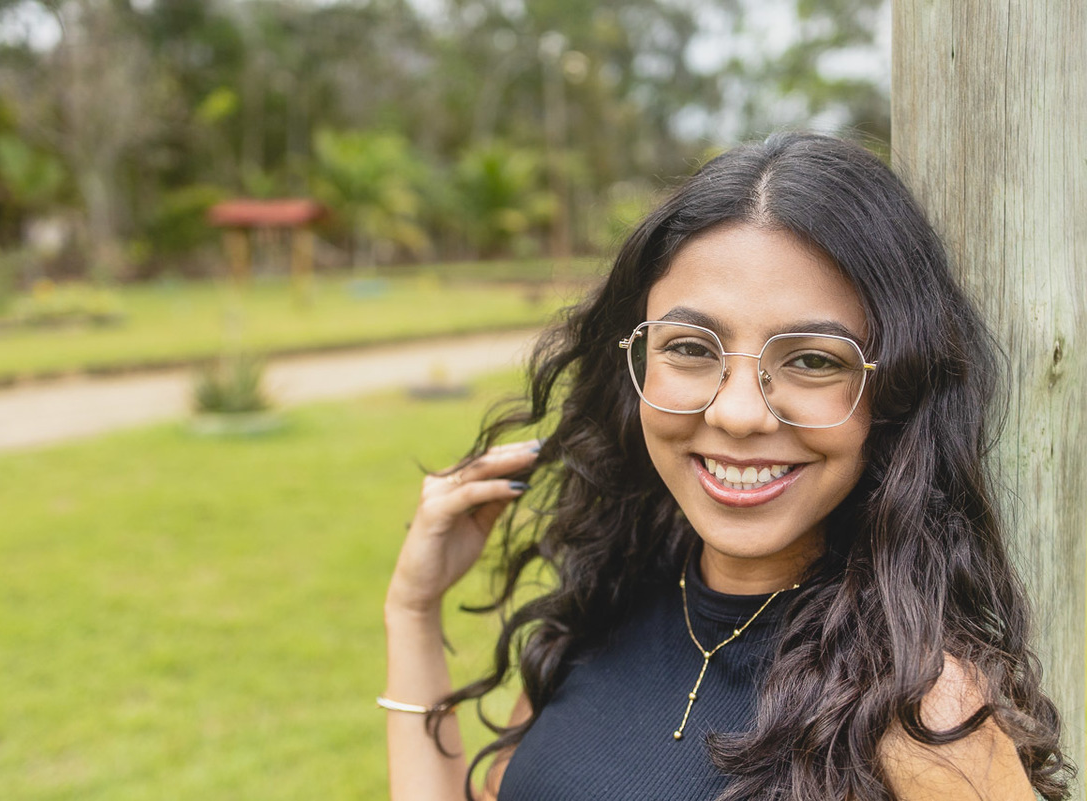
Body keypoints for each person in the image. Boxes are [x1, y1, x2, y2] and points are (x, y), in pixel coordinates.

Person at [381, 132, 1071, 800]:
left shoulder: (923, 710)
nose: (739, 414)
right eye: (690, 347)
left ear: (896, 390)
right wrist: (412, 611)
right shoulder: (606, 606)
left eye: (812, 359)